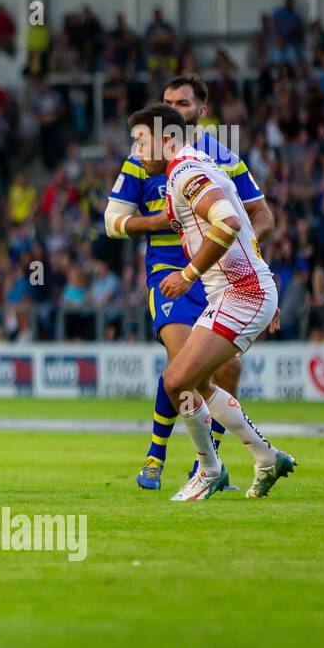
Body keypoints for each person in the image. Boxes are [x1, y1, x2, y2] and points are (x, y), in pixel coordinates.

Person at [105, 74, 274, 492]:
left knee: (223, 368)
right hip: (169, 269)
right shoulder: (144, 158)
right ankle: (159, 454)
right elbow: (111, 221)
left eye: (181, 104)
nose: (172, 109)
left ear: (200, 111)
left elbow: (254, 217)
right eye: (167, 102)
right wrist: (160, 222)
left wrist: (247, 265)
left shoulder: (215, 159)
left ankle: (216, 465)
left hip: (212, 275)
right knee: (182, 365)